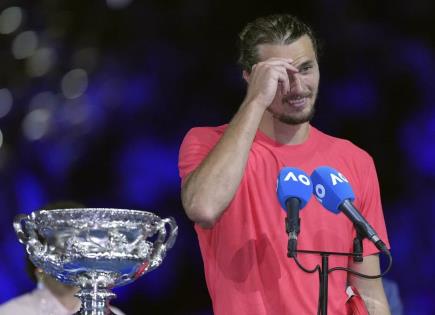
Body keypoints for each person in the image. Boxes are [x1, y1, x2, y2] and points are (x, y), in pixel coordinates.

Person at [178, 14, 391, 315]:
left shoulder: (355, 161)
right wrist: (255, 102)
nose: (297, 86)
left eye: (306, 69)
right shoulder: (207, 143)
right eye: (281, 76)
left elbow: (370, 294)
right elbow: (204, 207)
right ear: (249, 78)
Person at [0, 202, 125, 315]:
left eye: (83, 241)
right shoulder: (10, 312)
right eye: (64, 241)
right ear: (38, 253)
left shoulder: (114, 313)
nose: (74, 253)